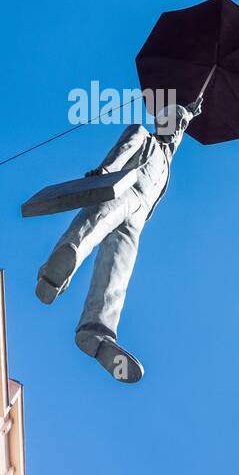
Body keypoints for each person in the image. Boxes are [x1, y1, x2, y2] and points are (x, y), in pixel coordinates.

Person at [35, 98, 201, 382]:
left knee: (117, 274)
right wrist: (104, 172)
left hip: (136, 223)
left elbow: (175, 142)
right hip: (122, 191)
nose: (176, 130)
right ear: (162, 122)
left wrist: (189, 114)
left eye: (180, 127)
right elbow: (121, 151)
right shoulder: (142, 134)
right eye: (174, 123)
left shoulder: (167, 162)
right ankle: (54, 274)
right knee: (90, 226)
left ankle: (95, 332)